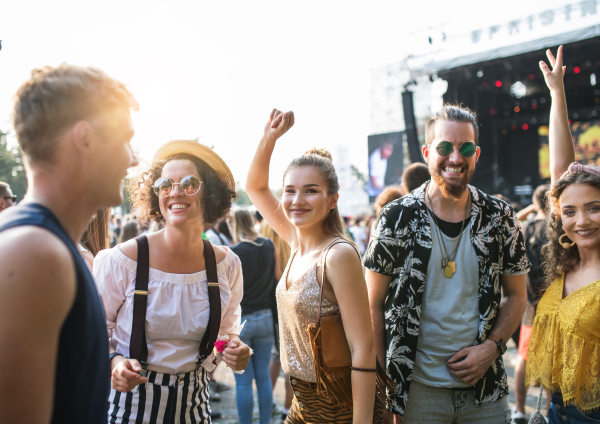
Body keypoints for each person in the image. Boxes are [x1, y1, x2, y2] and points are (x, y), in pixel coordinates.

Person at [365, 104, 530, 423]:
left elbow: (517, 295)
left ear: (476, 154)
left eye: (465, 148)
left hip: (485, 392)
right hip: (416, 393)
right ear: (427, 152)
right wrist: (385, 389)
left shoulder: (500, 216)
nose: (455, 157)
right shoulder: (397, 216)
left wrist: (492, 347)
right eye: (445, 147)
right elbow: (372, 303)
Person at [0, 63, 139, 423]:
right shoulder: (35, 254)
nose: (133, 157)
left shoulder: (40, 245)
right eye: (125, 138)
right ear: (86, 139)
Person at [94, 139, 251, 423]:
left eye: (189, 183)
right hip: (131, 409)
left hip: (196, 408)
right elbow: (93, 333)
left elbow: (227, 333)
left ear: (210, 194)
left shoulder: (227, 265)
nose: (175, 192)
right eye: (165, 184)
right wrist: (115, 363)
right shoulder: (122, 261)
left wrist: (236, 350)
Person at [247, 109, 384, 424]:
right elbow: (255, 187)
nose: (297, 199)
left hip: (339, 406)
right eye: (290, 190)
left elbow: (363, 348)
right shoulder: (296, 243)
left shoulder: (337, 255)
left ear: (332, 199)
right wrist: (270, 137)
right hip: (303, 403)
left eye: (311, 190)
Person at [526, 46, 600, 423]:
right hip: (557, 411)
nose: (581, 220)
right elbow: (562, 175)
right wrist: (557, 94)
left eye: (595, 207)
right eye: (569, 211)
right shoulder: (567, 260)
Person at [229, 209, 281, 424]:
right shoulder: (268, 244)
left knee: (242, 383)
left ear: (233, 225)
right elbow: (278, 277)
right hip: (266, 318)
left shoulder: (232, 252)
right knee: (263, 379)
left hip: (241, 322)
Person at [512, 184, 551, 424]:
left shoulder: (523, 228)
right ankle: (548, 412)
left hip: (529, 303)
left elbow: (510, 220)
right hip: (553, 304)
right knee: (551, 361)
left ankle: (518, 410)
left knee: (523, 358)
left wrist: (531, 209)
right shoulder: (558, 229)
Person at [259, 219, 294, 422]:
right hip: (288, 304)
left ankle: (269, 401)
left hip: (268, 307)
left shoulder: (263, 241)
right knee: (290, 359)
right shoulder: (290, 240)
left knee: (275, 356)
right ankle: (286, 408)